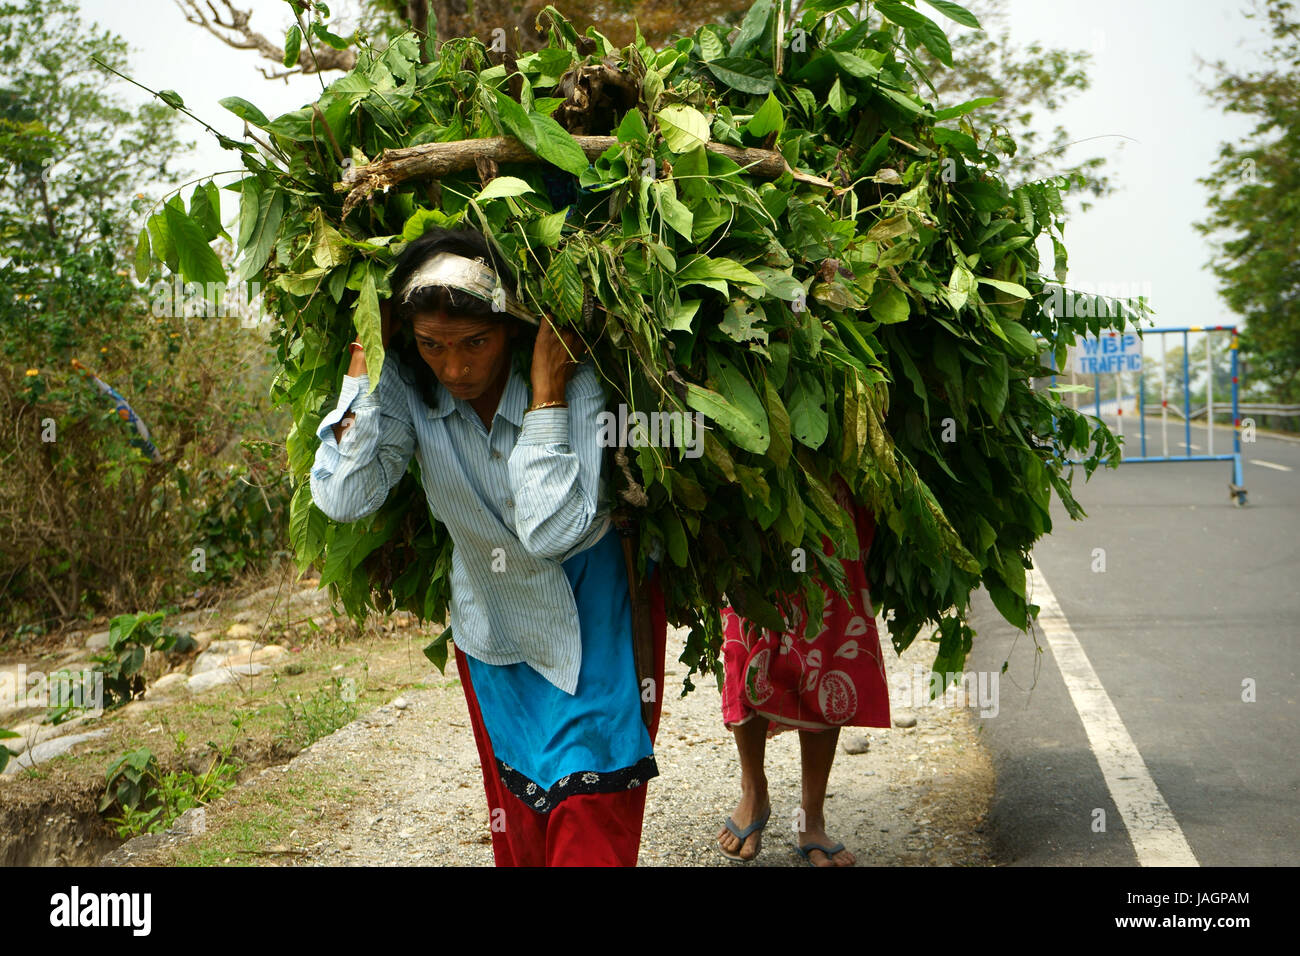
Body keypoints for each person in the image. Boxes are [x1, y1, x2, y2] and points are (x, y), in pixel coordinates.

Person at [309, 225, 668, 867]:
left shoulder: (570, 381)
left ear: (510, 327)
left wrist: (548, 397)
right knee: (522, 820)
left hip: (593, 616)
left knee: (591, 810)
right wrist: (363, 378)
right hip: (490, 624)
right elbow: (343, 496)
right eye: (432, 346)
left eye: (475, 343)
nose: (455, 367)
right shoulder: (409, 388)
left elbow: (553, 530)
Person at [715, 475, 890, 866]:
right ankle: (753, 791)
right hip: (748, 476)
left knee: (826, 641)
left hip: (831, 482)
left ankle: (811, 816)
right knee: (746, 636)